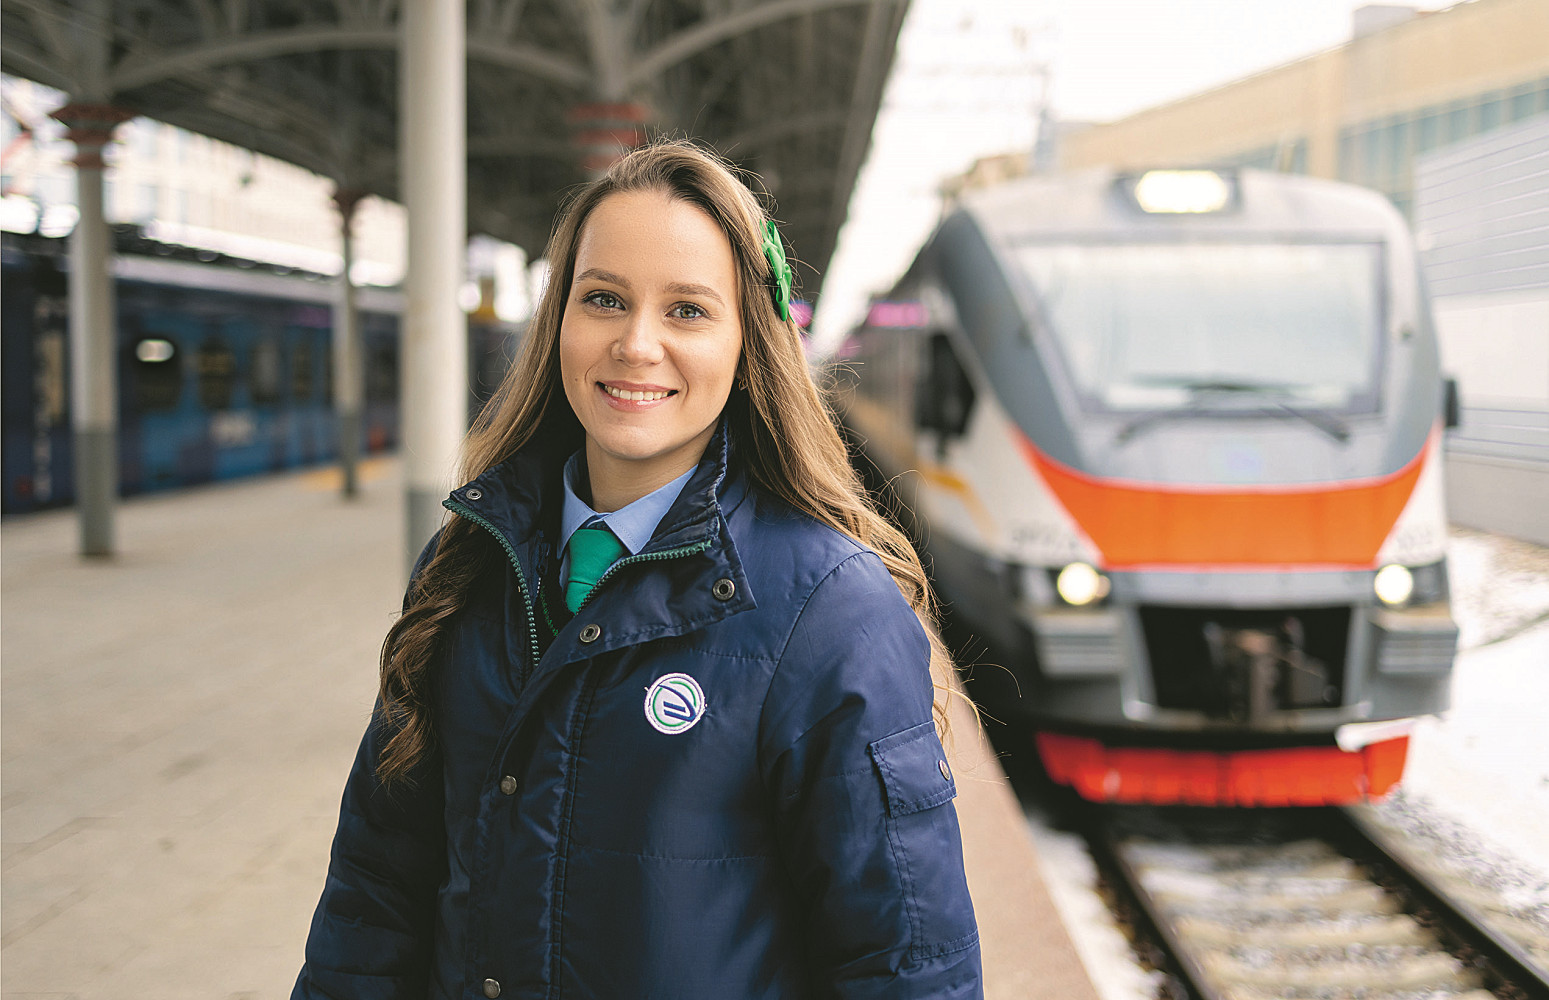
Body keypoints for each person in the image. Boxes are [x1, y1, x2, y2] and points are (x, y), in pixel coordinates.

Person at [293, 140, 981, 1000]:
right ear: (558, 322)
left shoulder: (832, 608)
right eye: (604, 299)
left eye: (687, 311)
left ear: (747, 346)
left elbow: (905, 966)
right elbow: (374, 886)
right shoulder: (466, 562)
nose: (635, 344)